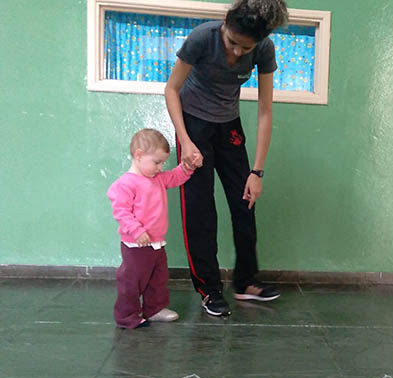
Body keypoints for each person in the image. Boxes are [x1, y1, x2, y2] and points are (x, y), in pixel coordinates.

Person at [164, 0, 288, 316]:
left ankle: (246, 282)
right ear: (224, 24)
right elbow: (172, 89)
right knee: (200, 209)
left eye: (245, 48)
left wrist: (257, 172)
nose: (236, 53)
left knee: (245, 201)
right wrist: (186, 141)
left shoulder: (264, 49)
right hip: (193, 124)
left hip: (228, 124)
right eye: (232, 42)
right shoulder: (201, 38)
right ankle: (209, 289)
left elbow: (265, 110)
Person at [107, 129, 199, 328]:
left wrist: (188, 166)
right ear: (139, 155)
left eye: (162, 163)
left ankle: (155, 308)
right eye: (157, 162)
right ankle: (126, 315)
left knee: (158, 278)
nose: (160, 167)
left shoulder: (157, 178)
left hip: (157, 242)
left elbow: (175, 177)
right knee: (132, 281)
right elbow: (122, 212)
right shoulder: (125, 184)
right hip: (136, 244)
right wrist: (137, 231)